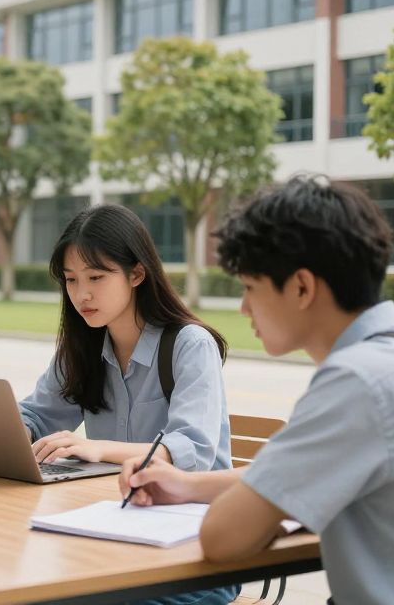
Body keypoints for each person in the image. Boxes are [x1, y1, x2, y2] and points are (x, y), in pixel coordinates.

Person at [118, 176, 394, 605]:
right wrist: (186, 485)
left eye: (251, 288)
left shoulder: (354, 384)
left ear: (302, 287)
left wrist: (269, 508)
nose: (244, 307)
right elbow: (289, 477)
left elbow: (222, 538)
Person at [20, 203, 237, 605]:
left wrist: (97, 448)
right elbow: (37, 415)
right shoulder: (83, 347)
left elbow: (192, 451)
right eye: (71, 280)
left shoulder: (189, 345)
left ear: (137, 273)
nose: (81, 294)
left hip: (197, 552)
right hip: (114, 535)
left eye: (96, 277)